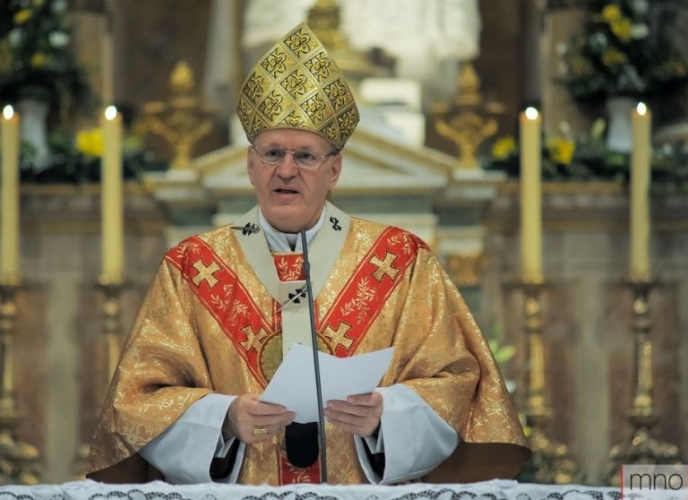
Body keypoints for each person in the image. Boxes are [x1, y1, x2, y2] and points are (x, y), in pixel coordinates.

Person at [87, 22, 529, 486]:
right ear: (250, 165)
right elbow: (137, 401)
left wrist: (387, 415)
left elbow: (456, 381)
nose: (286, 170)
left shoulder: (400, 260)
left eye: (306, 156)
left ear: (334, 170)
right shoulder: (192, 267)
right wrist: (223, 419)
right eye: (272, 153)